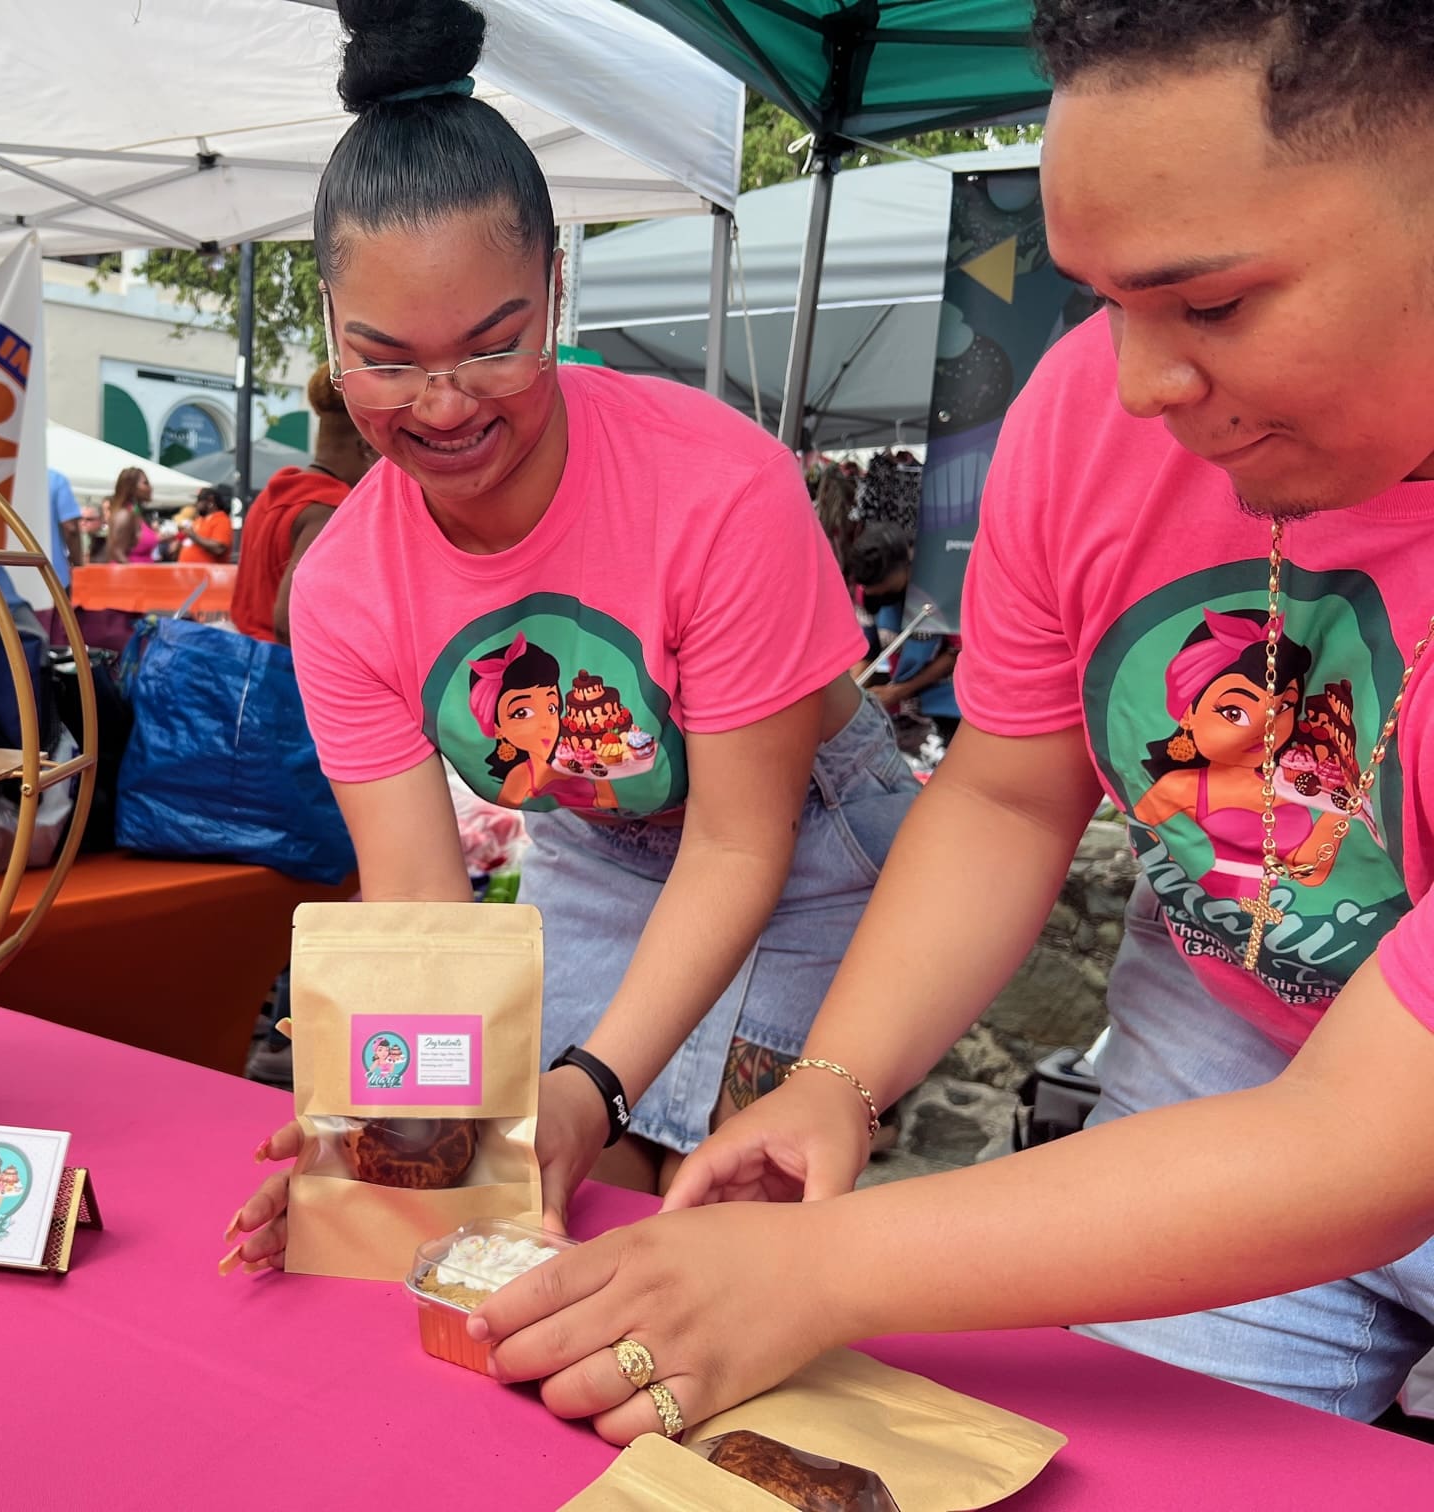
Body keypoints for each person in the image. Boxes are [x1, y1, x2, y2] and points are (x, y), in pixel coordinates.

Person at [457, 0, 1434, 1446]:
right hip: (1227, 1048)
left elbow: (1363, 1141)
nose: (1138, 387)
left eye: (1212, 304)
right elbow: (1006, 793)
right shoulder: (1081, 422)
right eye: (1104, 301)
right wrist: (837, 1083)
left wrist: (816, 1271)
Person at [222, 0, 914, 1268]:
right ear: (330, 340)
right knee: (518, 1195)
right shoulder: (344, 589)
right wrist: (379, 1158)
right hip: (593, 844)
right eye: (385, 362)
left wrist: (591, 1089)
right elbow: (422, 907)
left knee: (701, 1209)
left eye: (494, 349)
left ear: (554, 285)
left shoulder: (717, 486)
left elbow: (736, 843)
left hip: (808, 838)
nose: (441, 408)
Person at [229, 363, 377, 644]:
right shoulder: (329, 509)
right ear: (367, 448)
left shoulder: (274, 494)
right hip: (284, 674)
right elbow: (287, 622)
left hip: (245, 660)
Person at [844, 522, 960, 748]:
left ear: (906, 566)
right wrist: (852, 694)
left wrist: (900, 691)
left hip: (944, 700)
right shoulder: (867, 589)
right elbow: (868, 650)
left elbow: (955, 653)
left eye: (880, 586)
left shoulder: (938, 589)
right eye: (867, 589)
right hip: (899, 701)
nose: (869, 593)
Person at [100, 466, 157, 564]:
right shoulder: (124, 515)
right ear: (131, 487)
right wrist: (134, 576)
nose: (150, 487)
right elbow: (116, 553)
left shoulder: (136, 514)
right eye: (145, 483)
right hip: (129, 577)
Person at [176, 487, 234, 563]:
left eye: (199, 500)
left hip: (206, 572)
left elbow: (219, 548)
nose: (196, 504)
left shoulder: (222, 520)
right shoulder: (199, 519)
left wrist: (194, 536)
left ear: (210, 501)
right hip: (188, 571)